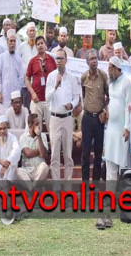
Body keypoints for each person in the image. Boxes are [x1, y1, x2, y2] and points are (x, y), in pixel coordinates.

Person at [45, 49, 80, 181]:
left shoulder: (71, 78)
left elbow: (76, 97)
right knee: (54, 154)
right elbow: (47, 98)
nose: (59, 61)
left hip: (67, 118)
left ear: (66, 60)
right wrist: (55, 85)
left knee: (67, 154)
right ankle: (56, 186)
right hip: (54, 118)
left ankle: (68, 185)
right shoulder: (51, 77)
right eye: (57, 59)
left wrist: (72, 104)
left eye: (61, 58)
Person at [80, 49, 109, 182]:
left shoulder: (103, 76)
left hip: (99, 120)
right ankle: (85, 184)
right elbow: (84, 95)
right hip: (86, 119)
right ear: (87, 62)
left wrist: (104, 110)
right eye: (91, 59)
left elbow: (108, 96)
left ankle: (95, 185)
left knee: (98, 154)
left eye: (96, 58)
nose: (94, 61)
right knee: (85, 154)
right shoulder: (84, 77)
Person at [104, 56, 131, 182]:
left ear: (116, 68)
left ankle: (123, 198)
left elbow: (128, 106)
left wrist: (127, 127)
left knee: (122, 165)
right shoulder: (110, 83)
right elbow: (110, 102)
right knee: (110, 163)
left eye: (110, 68)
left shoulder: (126, 82)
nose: (108, 71)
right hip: (110, 129)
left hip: (122, 130)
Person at [25, 36, 56, 131]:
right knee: (36, 130)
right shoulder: (32, 61)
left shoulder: (52, 60)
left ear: (45, 45)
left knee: (52, 129)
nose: (40, 45)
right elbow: (27, 79)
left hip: (49, 101)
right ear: (36, 47)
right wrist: (33, 93)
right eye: (38, 44)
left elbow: (56, 77)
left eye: (42, 43)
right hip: (36, 100)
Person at [16, 113, 49, 189]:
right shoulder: (23, 137)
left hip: (38, 169)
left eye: (39, 123)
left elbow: (43, 154)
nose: (39, 126)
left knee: (44, 166)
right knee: (18, 171)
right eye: (36, 124)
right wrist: (39, 151)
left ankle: (32, 188)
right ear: (30, 125)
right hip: (27, 170)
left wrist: (39, 135)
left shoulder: (42, 136)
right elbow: (28, 153)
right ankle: (34, 189)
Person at [0, 31, 25, 115]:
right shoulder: (2, 57)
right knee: (3, 118)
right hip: (4, 94)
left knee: (14, 117)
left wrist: (17, 92)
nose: (12, 43)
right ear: (7, 42)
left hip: (15, 95)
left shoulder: (19, 59)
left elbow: (21, 77)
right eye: (10, 41)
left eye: (14, 41)